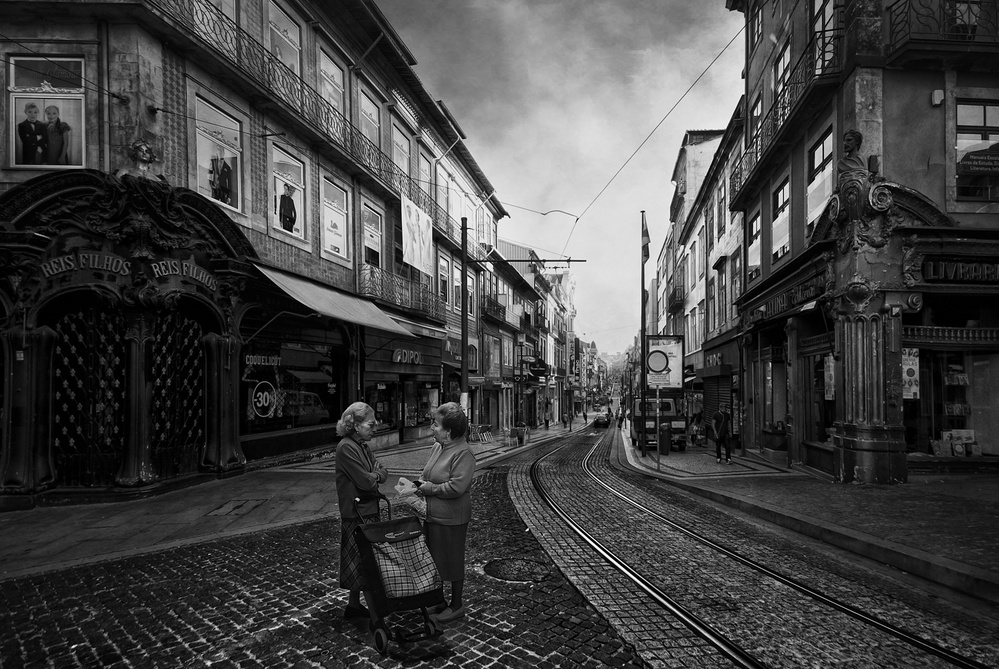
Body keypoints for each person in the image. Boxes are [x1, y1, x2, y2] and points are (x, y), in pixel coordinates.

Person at [415, 402, 475, 622]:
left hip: (452, 518)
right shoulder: (438, 447)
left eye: (436, 424)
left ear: (448, 432)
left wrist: (429, 488)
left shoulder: (464, 453)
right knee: (435, 560)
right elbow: (428, 473)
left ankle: (456, 605)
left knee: (452, 560)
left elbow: (456, 487)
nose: (432, 427)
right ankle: (438, 600)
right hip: (433, 515)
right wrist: (418, 484)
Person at [334, 402, 388, 621]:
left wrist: (376, 475)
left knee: (360, 560)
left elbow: (382, 471)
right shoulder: (347, 447)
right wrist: (375, 476)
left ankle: (353, 605)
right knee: (366, 563)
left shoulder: (363, 446)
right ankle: (376, 616)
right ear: (355, 425)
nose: (375, 428)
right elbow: (367, 481)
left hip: (366, 510)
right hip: (357, 513)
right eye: (370, 425)